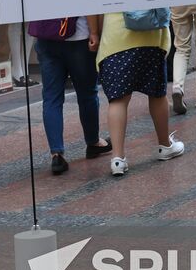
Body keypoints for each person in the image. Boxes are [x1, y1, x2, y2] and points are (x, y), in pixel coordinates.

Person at [96, 11, 184, 175]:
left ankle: (118, 159)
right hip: (151, 35)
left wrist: (96, 32)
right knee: (157, 95)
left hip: (115, 36)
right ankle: (164, 145)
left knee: (118, 100)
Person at [33, 16, 111, 175]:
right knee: (87, 93)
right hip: (79, 38)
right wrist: (95, 32)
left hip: (46, 35)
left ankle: (56, 154)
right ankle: (93, 142)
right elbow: (88, 1)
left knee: (51, 98)